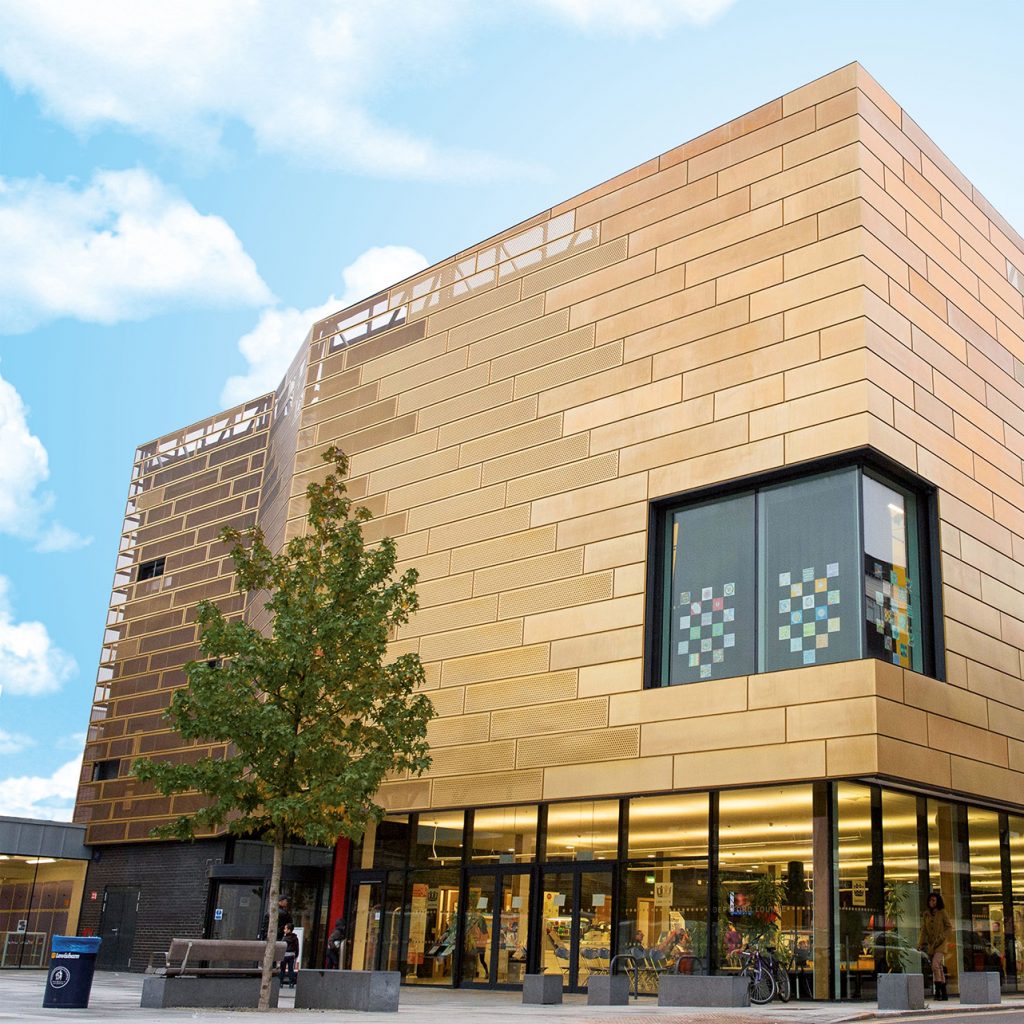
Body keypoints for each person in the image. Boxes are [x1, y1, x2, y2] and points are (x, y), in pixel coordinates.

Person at [919, 891, 954, 1000]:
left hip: (941, 943)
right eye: (930, 900)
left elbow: (949, 927)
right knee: (938, 968)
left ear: (938, 901)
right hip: (931, 944)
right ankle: (944, 993)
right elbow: (923, 930)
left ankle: (938, 991)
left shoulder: (942, 912)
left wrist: (942, 937)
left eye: (934, 900)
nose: (931, 902)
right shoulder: (926, 914)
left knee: (935, 965)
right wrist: (920, 943)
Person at [280, 922, 299, 987]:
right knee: (291, 969)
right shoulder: (295, 938)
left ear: (289, 930)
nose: (284, 930)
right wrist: (296, 955)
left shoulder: (284, 938)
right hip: (292, 955)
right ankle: (291, 983)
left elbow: (281, 947)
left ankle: (281, 982)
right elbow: (297, 947)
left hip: (284, 955)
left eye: (285, 929)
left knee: (282, 969)